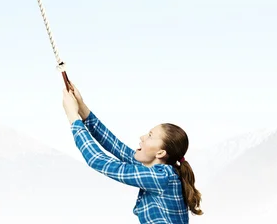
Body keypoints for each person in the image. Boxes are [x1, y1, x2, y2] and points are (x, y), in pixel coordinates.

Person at [62, 82, 203, 223]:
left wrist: (73, 118)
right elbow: (116, 146)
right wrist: (82, 108)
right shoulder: (158, 171)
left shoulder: (161, 177)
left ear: (160, 153)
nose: (142, 137)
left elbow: (97, 160)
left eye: (150, 135)